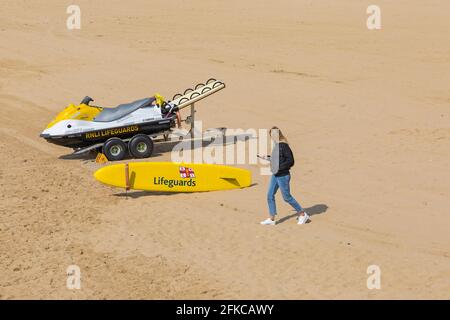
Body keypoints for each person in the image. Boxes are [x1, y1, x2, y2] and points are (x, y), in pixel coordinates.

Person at [260, 126, 309, 225]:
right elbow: (277, 160)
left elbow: (291, 161)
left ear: (279, 134)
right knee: (270, 195)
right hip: (275, 175)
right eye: (271, 135)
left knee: (287, 198)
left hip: (283, 176)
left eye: (274, 135)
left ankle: (303, 214)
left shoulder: (284, 146)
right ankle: (272, 219)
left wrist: (279, 167)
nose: (273, 137)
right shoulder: (277, 146)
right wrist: (268, 158)